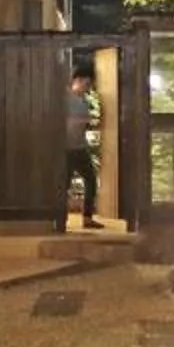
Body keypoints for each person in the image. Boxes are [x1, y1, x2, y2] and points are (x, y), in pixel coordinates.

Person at [64, 66, 103, 230]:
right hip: (67, 147)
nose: (88, 88)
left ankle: (87, 217)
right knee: (64, 183)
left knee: (91, 180)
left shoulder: (83, 100)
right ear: (77, 81)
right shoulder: (66, 99)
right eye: (86, 84)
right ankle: (60, 218)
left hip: (79, 146)